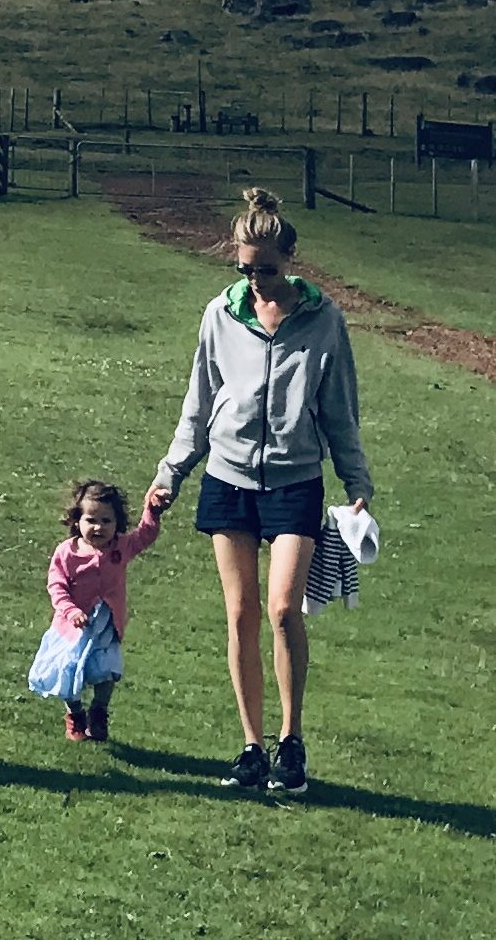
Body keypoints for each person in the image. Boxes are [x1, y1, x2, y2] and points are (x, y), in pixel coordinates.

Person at [146, 186, 374, 797]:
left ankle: (291, 742)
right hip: (229, 479)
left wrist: (357, 483)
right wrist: (171, 472)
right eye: (245, 270)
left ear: (291, 258)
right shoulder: (221, 315)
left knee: (282, 609)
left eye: (267, 270)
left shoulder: (323, 320)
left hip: (296, 480)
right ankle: (251, 747)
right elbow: (199, 404)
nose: (256, 283)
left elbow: (340, 409)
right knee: (241, 614)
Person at [37, 478, 160, 742]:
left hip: (105, 627)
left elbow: (146, 535)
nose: (98, 527)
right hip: (71, 630)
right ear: (77, 521)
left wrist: (153, 510)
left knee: (107, 670)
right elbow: (56, 587)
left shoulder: (121, 548)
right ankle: (75, 713)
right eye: (91, 520)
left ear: (117, 524)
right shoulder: (67, 553)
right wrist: (70, 611)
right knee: (68, 677)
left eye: (107, 521)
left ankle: (99, 711)